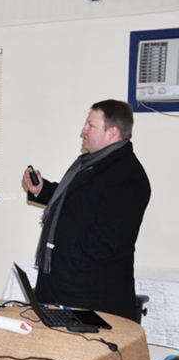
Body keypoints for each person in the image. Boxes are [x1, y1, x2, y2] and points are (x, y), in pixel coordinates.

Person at [24, 100, 151, 322]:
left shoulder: (127, 177)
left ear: (112, 132)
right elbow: (76, 200)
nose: (83, 130)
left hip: (89, 297)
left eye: (90, 126)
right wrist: (42, 190)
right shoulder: (92, 164)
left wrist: (67, 264)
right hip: (62, 288)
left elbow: (106, 242)